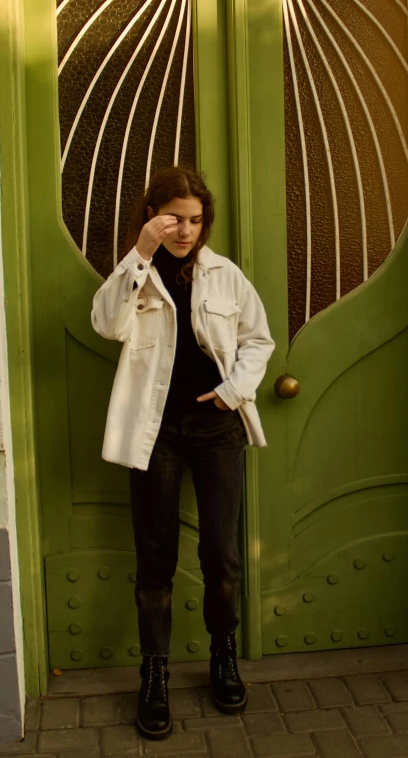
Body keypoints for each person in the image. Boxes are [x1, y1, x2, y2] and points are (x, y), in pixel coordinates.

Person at [91, 166, 274, 740]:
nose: (186, 231)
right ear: (152, 215)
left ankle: (223, 655)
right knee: (155, 559)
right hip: (157, 433)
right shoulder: (136, 271)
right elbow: (104, 323)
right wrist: (139, 253)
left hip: (218, 430)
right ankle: (155, 674)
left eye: (195, 220)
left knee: (221, 555)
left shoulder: (225, 276)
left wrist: (232, 392)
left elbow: (258, 339)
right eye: (174, 218)